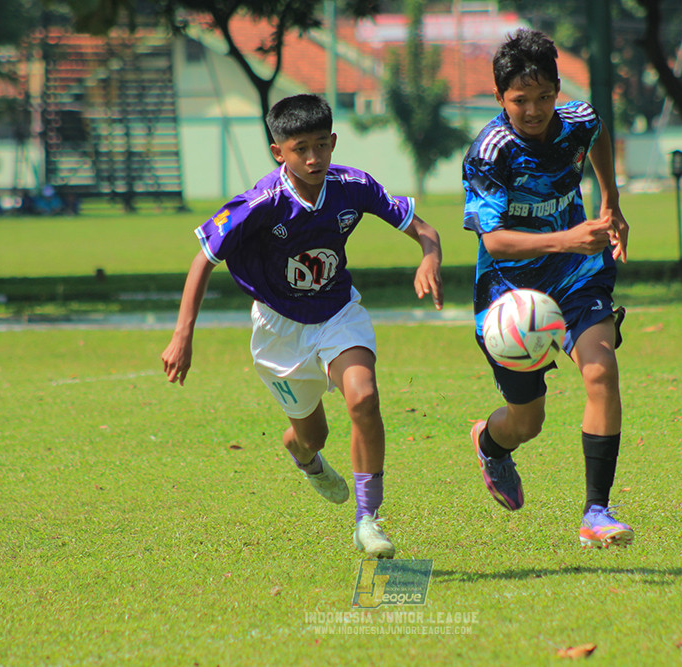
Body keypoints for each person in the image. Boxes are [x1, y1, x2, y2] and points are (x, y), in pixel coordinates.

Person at [161, 94, 443, 559]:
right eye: (299, 149)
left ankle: (368, 520)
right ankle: (305, 458)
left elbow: (425, 230)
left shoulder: (354, 186)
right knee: (312, 435)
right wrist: (182, 335)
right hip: (279, 329)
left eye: (320, 145)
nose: (313, 158)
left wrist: (429, 257)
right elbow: (202, 260)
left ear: (333, 141)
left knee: (364, 398)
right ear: (279, 152)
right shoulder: (259, 203)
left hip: (337, 314)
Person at [462, 29, 633, 549]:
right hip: (511, 296)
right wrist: (567, 237)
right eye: (519, 100)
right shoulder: (489, 153)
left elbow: (597, 132)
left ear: (558, 90)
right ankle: (491, 443)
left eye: (543, 97)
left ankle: (596, 512)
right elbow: (494, 243)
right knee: (527, 422)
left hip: (577, 273)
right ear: (499, 98)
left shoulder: (576, 119)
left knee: (601, 370)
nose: (533, 110)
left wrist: (610, 200)